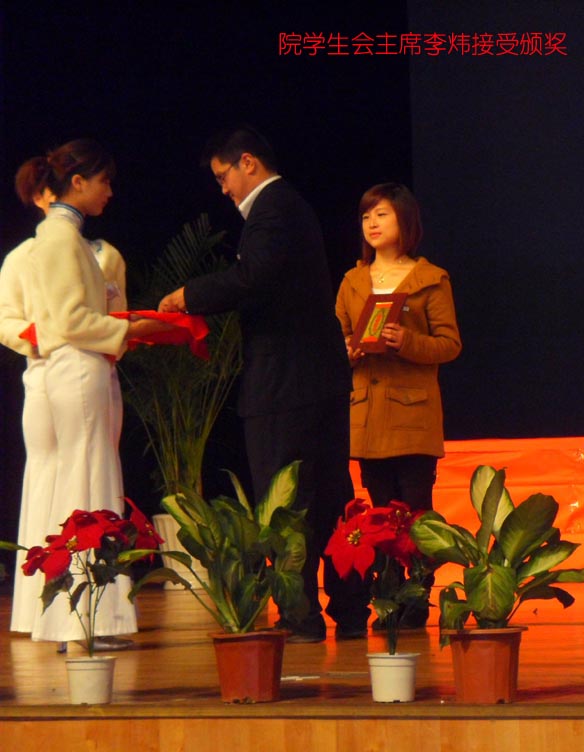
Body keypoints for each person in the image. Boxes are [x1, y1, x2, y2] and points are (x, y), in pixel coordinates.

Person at [159, 126, 370, 642]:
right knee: (329, 496)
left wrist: (189, 295)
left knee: (288, 503)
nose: (223, 189)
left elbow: (252, 278)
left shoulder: (273, 208)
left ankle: (301, 617)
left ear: (248, 162)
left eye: (223, 176)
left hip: (286, 384)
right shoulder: (290, 206)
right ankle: (347, 611)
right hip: (313, 379)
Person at [17, 139, 169, 649]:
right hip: (77, 369)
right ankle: (81, 621)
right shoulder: (59, 237)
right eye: (103, 181)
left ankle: (87, 619)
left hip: (84, 367)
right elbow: (69, 321)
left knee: (89, 482)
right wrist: (130, 330)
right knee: (85, 488)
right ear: (77, 182)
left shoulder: (68, 236)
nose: (109, 191)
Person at [0, 157, 131, 644]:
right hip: (52, 369)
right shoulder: (28, 254)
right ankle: (52, 610)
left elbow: (113, 309)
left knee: (85, 470)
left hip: (90, 361)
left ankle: (70, 611)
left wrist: (121, 331)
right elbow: (12, 321)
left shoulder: (102, 252)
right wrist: (44, 338)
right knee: (54, 477)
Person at [335, 183, 461, 626]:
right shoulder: (352, 281)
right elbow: (336, 339)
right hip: (368, 413)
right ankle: (387, 599)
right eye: (366, 216)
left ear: (405, 221)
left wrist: (407, 341)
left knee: (416, 513)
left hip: (412, 414)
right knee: (377, 515)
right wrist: (347, 350)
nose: (371, 223)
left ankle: (417, 598)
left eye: (382, 214)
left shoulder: (431, 279)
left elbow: (449, 344)